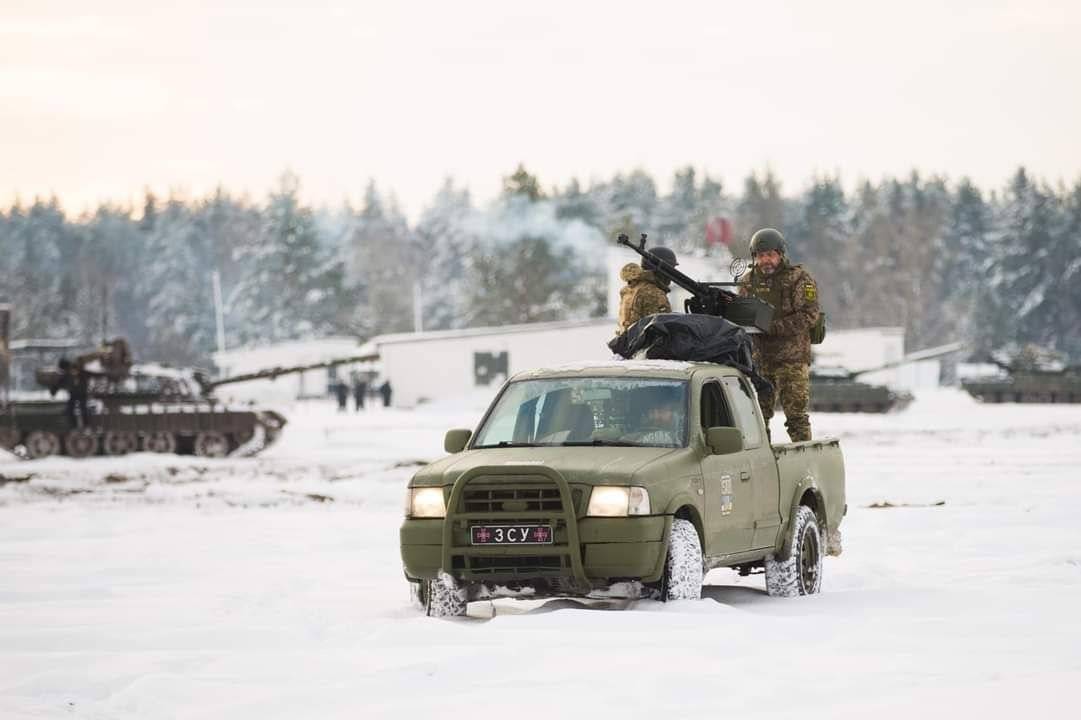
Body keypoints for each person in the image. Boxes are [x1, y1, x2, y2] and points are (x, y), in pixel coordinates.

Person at [738, 228, 820, 443]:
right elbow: (742, 314)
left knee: (796, 418)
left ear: (781, 254)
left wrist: (774, 327)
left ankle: (804, 463)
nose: (766, 260)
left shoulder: (800, 279)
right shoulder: (748, 281)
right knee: (756, 418)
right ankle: (761, 461)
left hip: (791, 361)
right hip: (760, 361)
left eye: (770, 255)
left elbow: (809, 315)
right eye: (761, 255)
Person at [616, 246, 677, 334]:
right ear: (663, 270)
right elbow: (661, 334)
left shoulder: (630, 289)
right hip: (645, 346)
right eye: (671, 269)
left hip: (631, 345)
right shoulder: (653, 294)